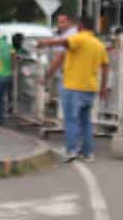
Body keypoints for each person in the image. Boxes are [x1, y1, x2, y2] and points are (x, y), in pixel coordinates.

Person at [46, 14, 109, 162]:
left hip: (73, 86)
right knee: (86, 122)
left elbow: (62, 48)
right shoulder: (99, 44)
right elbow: (106, 67)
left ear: (80, 26)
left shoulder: (78, 39)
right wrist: (103, 88)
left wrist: (44, 43)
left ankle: (71, 150)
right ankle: (88, 153)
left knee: (71, 120)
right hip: (90, 88)